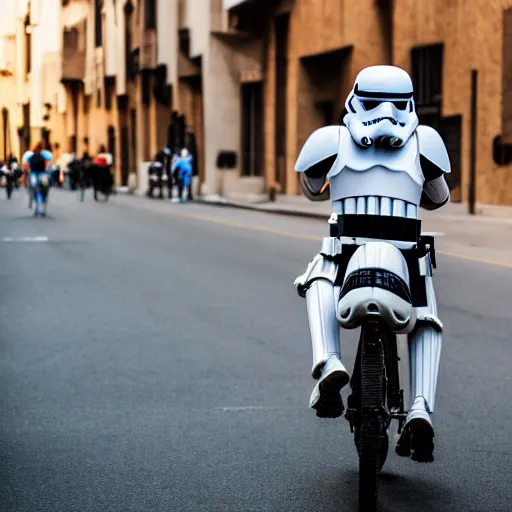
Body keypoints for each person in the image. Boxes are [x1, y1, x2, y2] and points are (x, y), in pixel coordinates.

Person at [294, 65, 450, 463]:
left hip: (348, 249)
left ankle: (329, 360)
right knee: (425, 315)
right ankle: (419, 405)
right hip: (406, 255)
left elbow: (311, 189)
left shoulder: (330, 139)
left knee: (320, 274)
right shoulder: (425, 141)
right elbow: (439, 197)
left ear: (353, 96)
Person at [23, 143, 53, 215]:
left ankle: (42, 207)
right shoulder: (31, 157)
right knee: (32, 185)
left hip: (42, 173)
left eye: (39, 150)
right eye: (37, 150)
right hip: (34, 173)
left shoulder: (44, 157)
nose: (38, 151)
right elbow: (27, 165)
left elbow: (49, 165)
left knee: (45, 185)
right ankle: (35, 204)